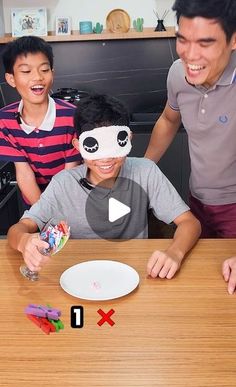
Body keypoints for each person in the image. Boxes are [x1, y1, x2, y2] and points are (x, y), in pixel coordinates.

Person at [7, 93, 201, 278]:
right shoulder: (63, 183)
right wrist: (24, 241)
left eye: (114, 146)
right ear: (78, 145)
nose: (106, 158)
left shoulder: (145, 171)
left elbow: (190, 223)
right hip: (77, 273)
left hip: (135, 272)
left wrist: (175, 253)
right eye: (95, 148)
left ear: (128, 139)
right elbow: (19, 228)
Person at [145, 0, 236, 238]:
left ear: (233, 40)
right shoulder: (178, 73)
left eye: (205, 43)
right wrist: (144, 169)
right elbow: (168, 119)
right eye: (183, 39)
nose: (190, 54)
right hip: (197, 201)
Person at [0, 35, 82, 208]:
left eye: (44, 70)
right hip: (34, 201)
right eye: (26, 71)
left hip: (71, 197)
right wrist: (44, 214)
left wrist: (60, 213)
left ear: (52, 73)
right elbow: (24, 173)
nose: (37, 77)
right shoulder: (5, 120)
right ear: (11, 79)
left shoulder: (72, 116)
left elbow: (71, 172)